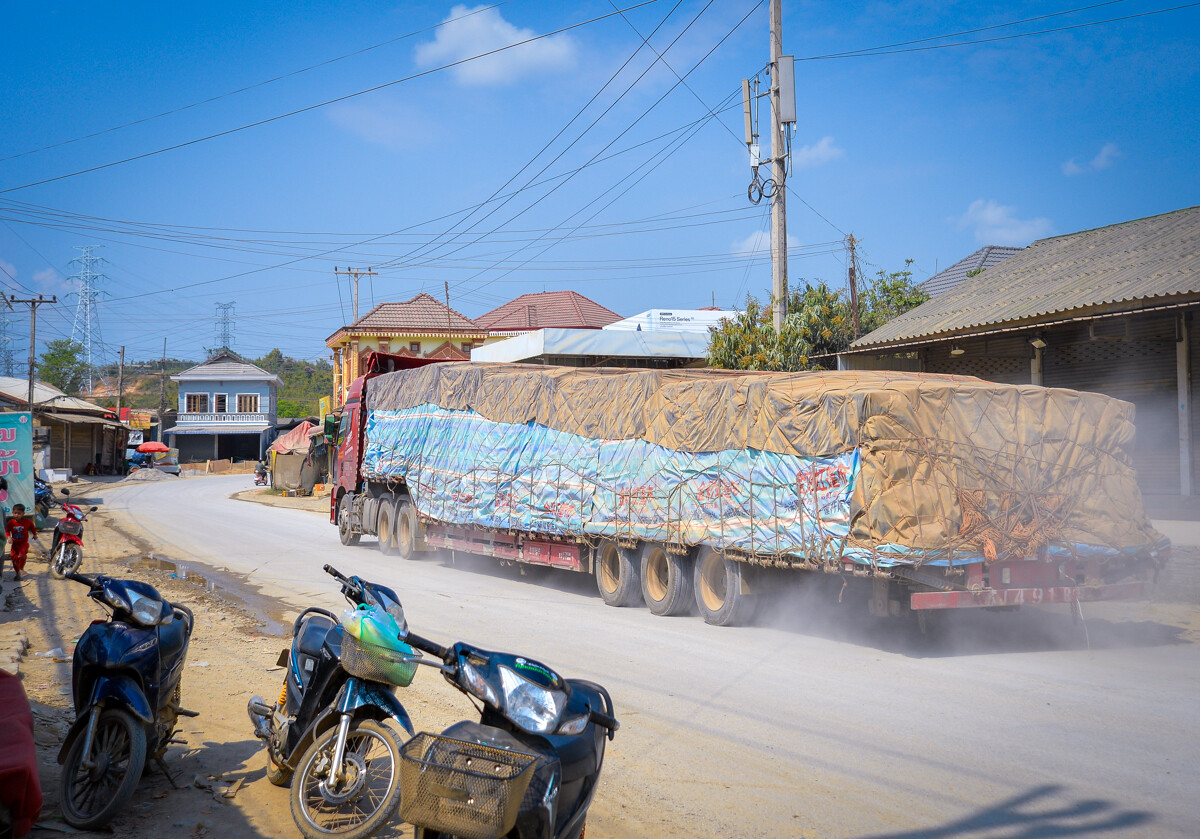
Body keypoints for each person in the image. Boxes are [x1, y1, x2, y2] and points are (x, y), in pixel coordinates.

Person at [5, 504, 40, 582]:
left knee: (22, 555)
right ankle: (18, 572)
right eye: (15, 513)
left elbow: (32, 526)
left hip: (23, 543)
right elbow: (7, 531)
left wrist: (34, 534)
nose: (16, 515)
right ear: (12, 513)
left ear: (23, 514)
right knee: (14, 559)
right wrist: (9, 537)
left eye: (19, 513)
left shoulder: (27, 521)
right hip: (15, 544)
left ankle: (21, 568)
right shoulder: (11, 522)